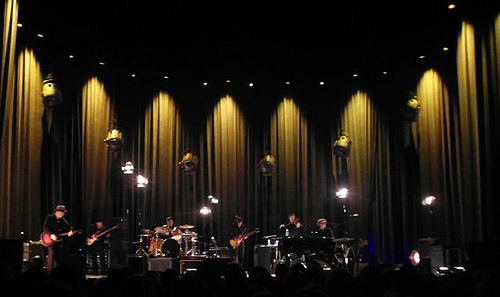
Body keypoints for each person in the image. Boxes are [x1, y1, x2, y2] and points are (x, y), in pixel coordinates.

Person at [43, 205, 74, 271]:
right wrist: (51, 234)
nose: (62, 214)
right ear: (57, 212)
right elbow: (45, 227)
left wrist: (70, 233)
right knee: (52, 254)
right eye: (61, 212)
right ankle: (49, 271)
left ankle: (56, 270)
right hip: (49, 238)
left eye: (63, 213)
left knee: (58, 255)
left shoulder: (63, 220)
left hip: (58, 240)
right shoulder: (50, 217)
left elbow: (68, 228)